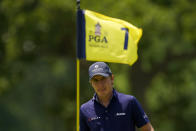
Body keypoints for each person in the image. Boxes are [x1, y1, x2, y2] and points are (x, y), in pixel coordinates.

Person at [80, 62, 154, 131]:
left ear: (112, 78)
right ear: (91, 83)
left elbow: (148, 129)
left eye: (103, 79)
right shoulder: (85, 109)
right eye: (95, 80)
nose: (100, 85)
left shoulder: (129, 102)